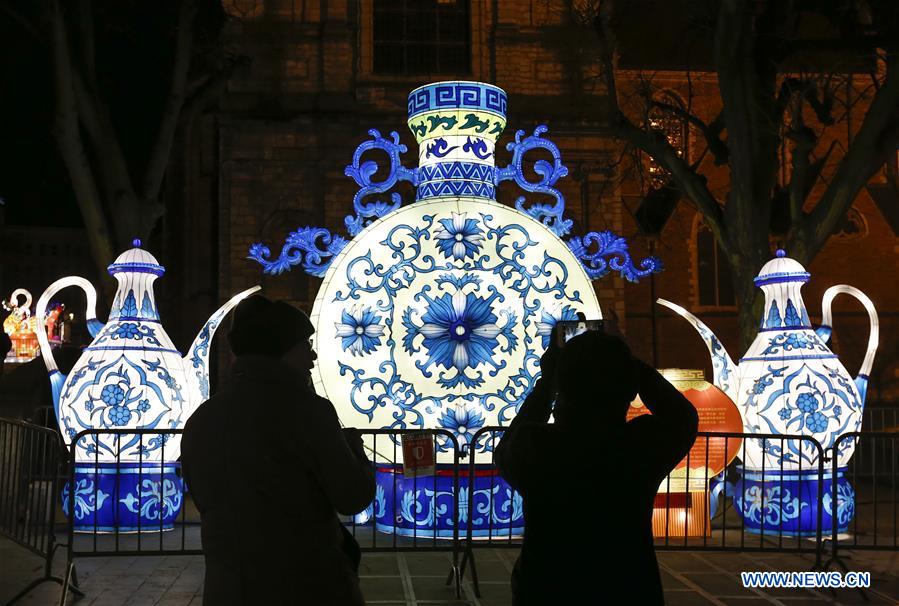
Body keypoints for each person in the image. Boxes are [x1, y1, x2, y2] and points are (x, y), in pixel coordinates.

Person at [181, 295, 375, 605]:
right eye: (304, 345)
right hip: (306, 586)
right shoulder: (308, 412)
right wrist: (355, 450)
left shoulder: (202, 419)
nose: (312, 356)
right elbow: (352, 495)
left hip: (228, 589)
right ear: (280, 349)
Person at [495, 329, 698, 605]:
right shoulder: (638, 448)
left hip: (546, 590)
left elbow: (507, 449)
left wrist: (546, 384)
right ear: (628, 387)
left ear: (563, 386)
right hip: (627, 589)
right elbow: (682, 417)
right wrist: (634, 368)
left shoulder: (537, 447)